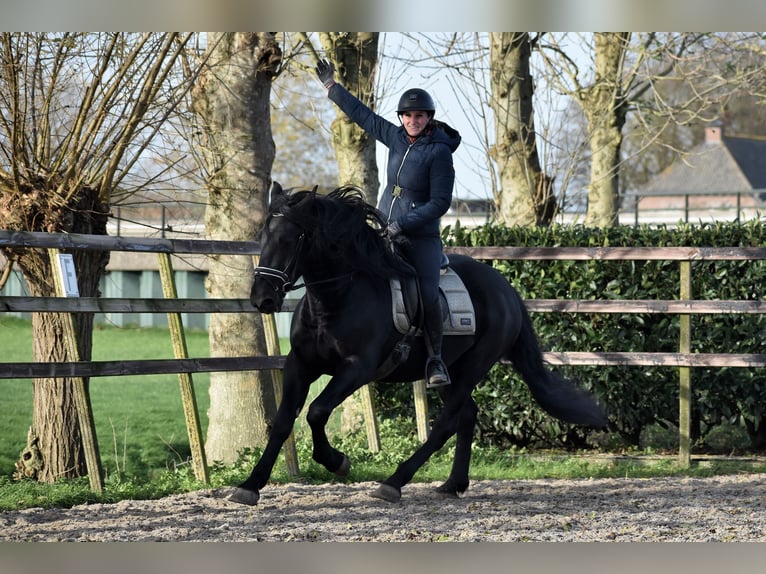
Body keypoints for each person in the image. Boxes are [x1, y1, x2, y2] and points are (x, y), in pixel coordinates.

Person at [315, 58, 461, 388]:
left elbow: (440, 203)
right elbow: (363, 116)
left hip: (420, 239)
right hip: (383, 229)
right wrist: (331, 88)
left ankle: (436, 360)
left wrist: (404, 224)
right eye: (408, 115)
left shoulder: (439, 153)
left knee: (426, 293)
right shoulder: (395, 137)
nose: (412, 120)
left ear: (428, 119)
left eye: (419, 116)